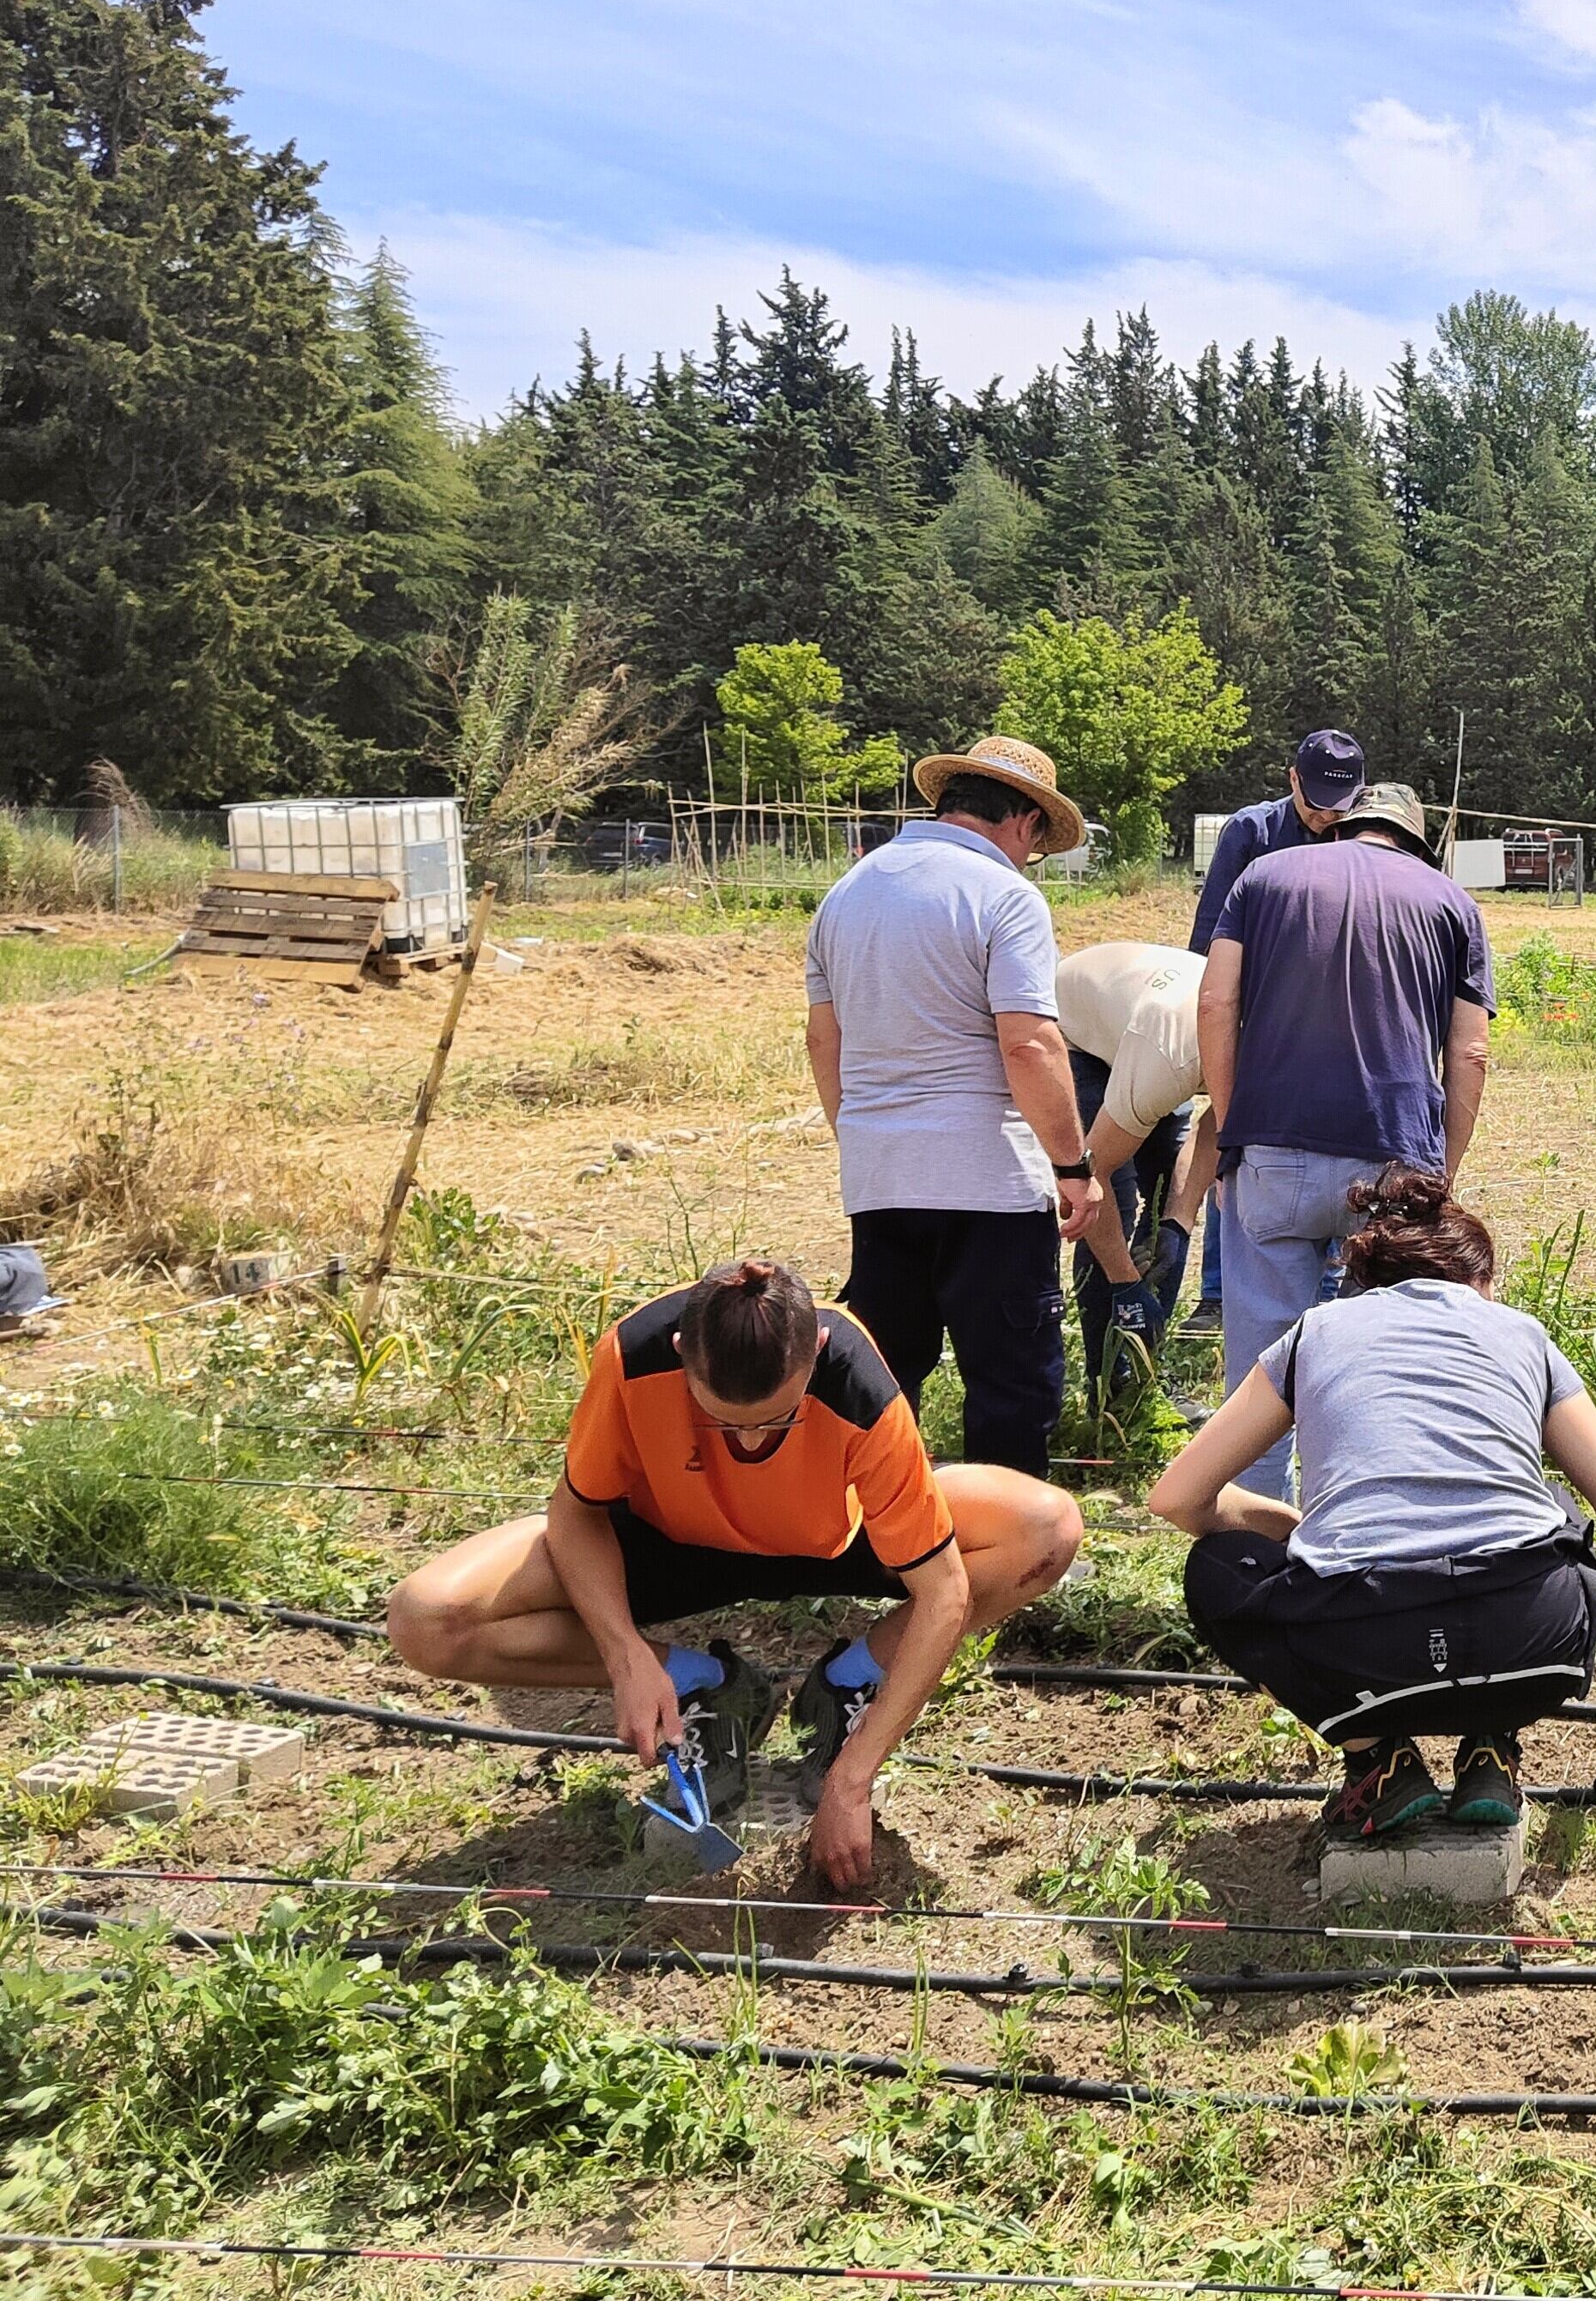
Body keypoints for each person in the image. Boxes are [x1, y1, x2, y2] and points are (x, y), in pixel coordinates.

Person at [384, 1259, 1082, 1892]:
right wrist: (626, 1654)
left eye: (778, 1420)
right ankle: (704, 1687)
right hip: (666, 1540)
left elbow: (944, 1593)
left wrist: (851, 1780)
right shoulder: (632, 1356)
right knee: (429, 1618)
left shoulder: (861, 1385)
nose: (749, 1442)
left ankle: (848, 1684)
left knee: (1045, 1531)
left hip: (832, 1539)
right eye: (720, 1424)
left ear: (816, 1352)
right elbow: (576, 1516)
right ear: (683, 1355)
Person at [1150, 1166, 1596, 1841]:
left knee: (1215, 1569)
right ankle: (1492, 1746)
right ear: (1478, 1281)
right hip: (1533, 1646)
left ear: (1368, 1279)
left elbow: (1178, 1498)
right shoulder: (1520, 1333)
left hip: (1357, 1643)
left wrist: (1280, 1523)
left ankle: (1379, 1761)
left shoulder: (1316, 1333)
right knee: (1553, 1508)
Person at [1175, 781, 1494, 1491]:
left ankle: (1256, 1547)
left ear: (1341, 828)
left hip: (1273, 1150)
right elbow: (1468, 1052)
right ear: (1417, 840)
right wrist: (1442, 1167)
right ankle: (1357, 1537)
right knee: (1374, 1365)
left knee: (1260, 1368)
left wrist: (1231, 1126)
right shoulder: (1451, 903)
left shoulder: (1263, 877)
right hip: (1394, 1160)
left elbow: (1215, 999)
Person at [804, 735, 1097, 1480]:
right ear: (1025, 821)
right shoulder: (1004, 895)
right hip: (986, 1180)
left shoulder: (848, 892)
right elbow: (1029, 1045)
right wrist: (1072, 1164)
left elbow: (822, 1040)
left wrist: (861, 1137)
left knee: (883, 1372)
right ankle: (1009, 1545)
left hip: (880, 1175)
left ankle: (871, 1533)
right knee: (1009, 1379)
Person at [1184, 730, 1369, 1336]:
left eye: (1338, 807)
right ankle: (1217, 1293)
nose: (1325, 817)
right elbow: (1209, 936)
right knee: (1236, 1145)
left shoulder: (1363, 834)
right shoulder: (1251, 833)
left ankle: (1319, 1297)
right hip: (1255, 1016)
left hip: (1332, 1024)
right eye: (1315, 801)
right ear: (1292, 779)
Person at [1054, 938, 1213, 1396]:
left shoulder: (1264, 1051)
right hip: (1078, 1034)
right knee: (1113, 1203)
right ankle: (1110, 1382)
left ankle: (1147, 1368)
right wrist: (1125, 1282)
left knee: (1166, 1193)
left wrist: (1177, 1226)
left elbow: (1215, 1129)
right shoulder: (1170, 1055)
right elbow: (1090, 1180)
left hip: (1146, 1025)